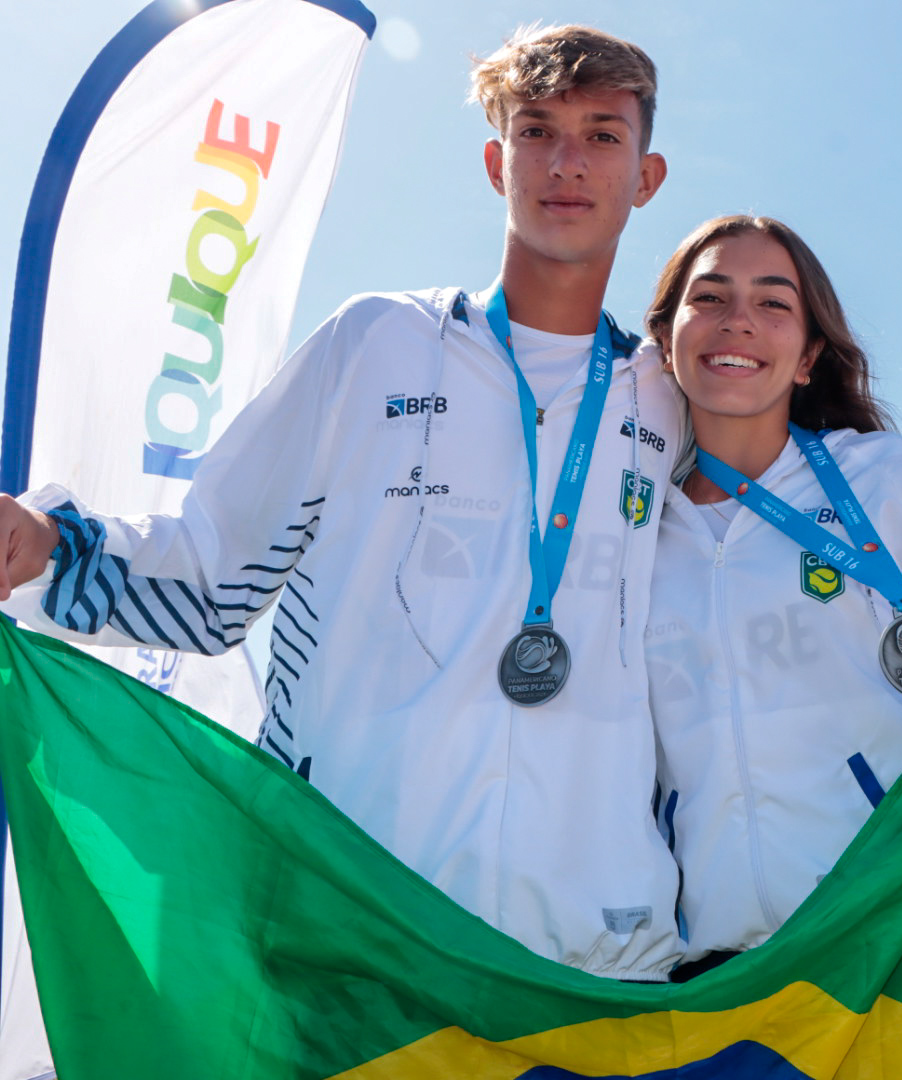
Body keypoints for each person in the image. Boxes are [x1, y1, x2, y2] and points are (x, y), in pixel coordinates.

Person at [0, 25, 684, 980]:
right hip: (352, 928)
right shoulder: (375, 344)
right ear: (498, 161)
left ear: (645, 177)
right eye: (538, 130)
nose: (567, 163)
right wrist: (45, 546)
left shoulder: (674, 401)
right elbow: (210, 578)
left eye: (603, 136)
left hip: (600, 958)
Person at [640, 216, 902, 976]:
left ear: (808, 356)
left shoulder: (885, 477)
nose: (738, 323)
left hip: (894, 943)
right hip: (711, 975)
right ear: (666, 341)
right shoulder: (632, 527)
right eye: (711, 297)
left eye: (773, 304)